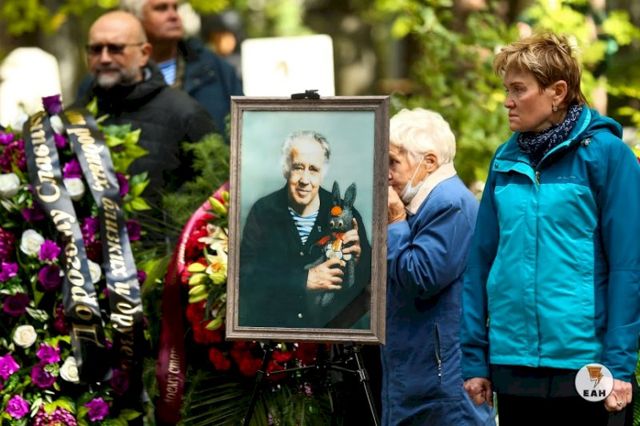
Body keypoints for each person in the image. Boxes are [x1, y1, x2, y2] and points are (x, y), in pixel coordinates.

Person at [461, 33, 640, 426]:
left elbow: (628, 268)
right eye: (506, 89)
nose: (507, 101)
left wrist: (619, 364)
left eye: (518, 89)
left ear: (557, 92)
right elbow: (480, 263)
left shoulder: (608, 156)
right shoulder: (504, 159)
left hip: (587, 362)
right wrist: (474, 358)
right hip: (513, 362)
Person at [384, 108, 494, 425]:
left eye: (393, 162)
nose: (385, 173)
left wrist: (395, 222)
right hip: (420, 376)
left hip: (441, 383)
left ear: (429, 162)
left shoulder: (450, 203)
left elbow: (420, 276)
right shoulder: (423, 201)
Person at [74, 10, 216, 202]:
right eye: (96, 49)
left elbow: (214, 191)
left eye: (116, 48)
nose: (104, 58)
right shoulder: (74, 116)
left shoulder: (185, 114)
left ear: (144, 54)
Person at [238, 130, 372, 329]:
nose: (305, 179)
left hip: (331, 335)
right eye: (298, 167)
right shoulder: (263, 212)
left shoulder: (347, 214)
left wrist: (360, 261)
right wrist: (303, 280)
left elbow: (369, 286)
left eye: (314, 169)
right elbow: (245, 277)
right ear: (285, 168)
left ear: (323, 172)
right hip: (275, 332)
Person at [120, 0, 243, 137]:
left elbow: (246, 127)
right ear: (135, 18)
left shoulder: (214, 68)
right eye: (161, 8)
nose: (173, 16)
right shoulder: (118, 71)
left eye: (175, 8)